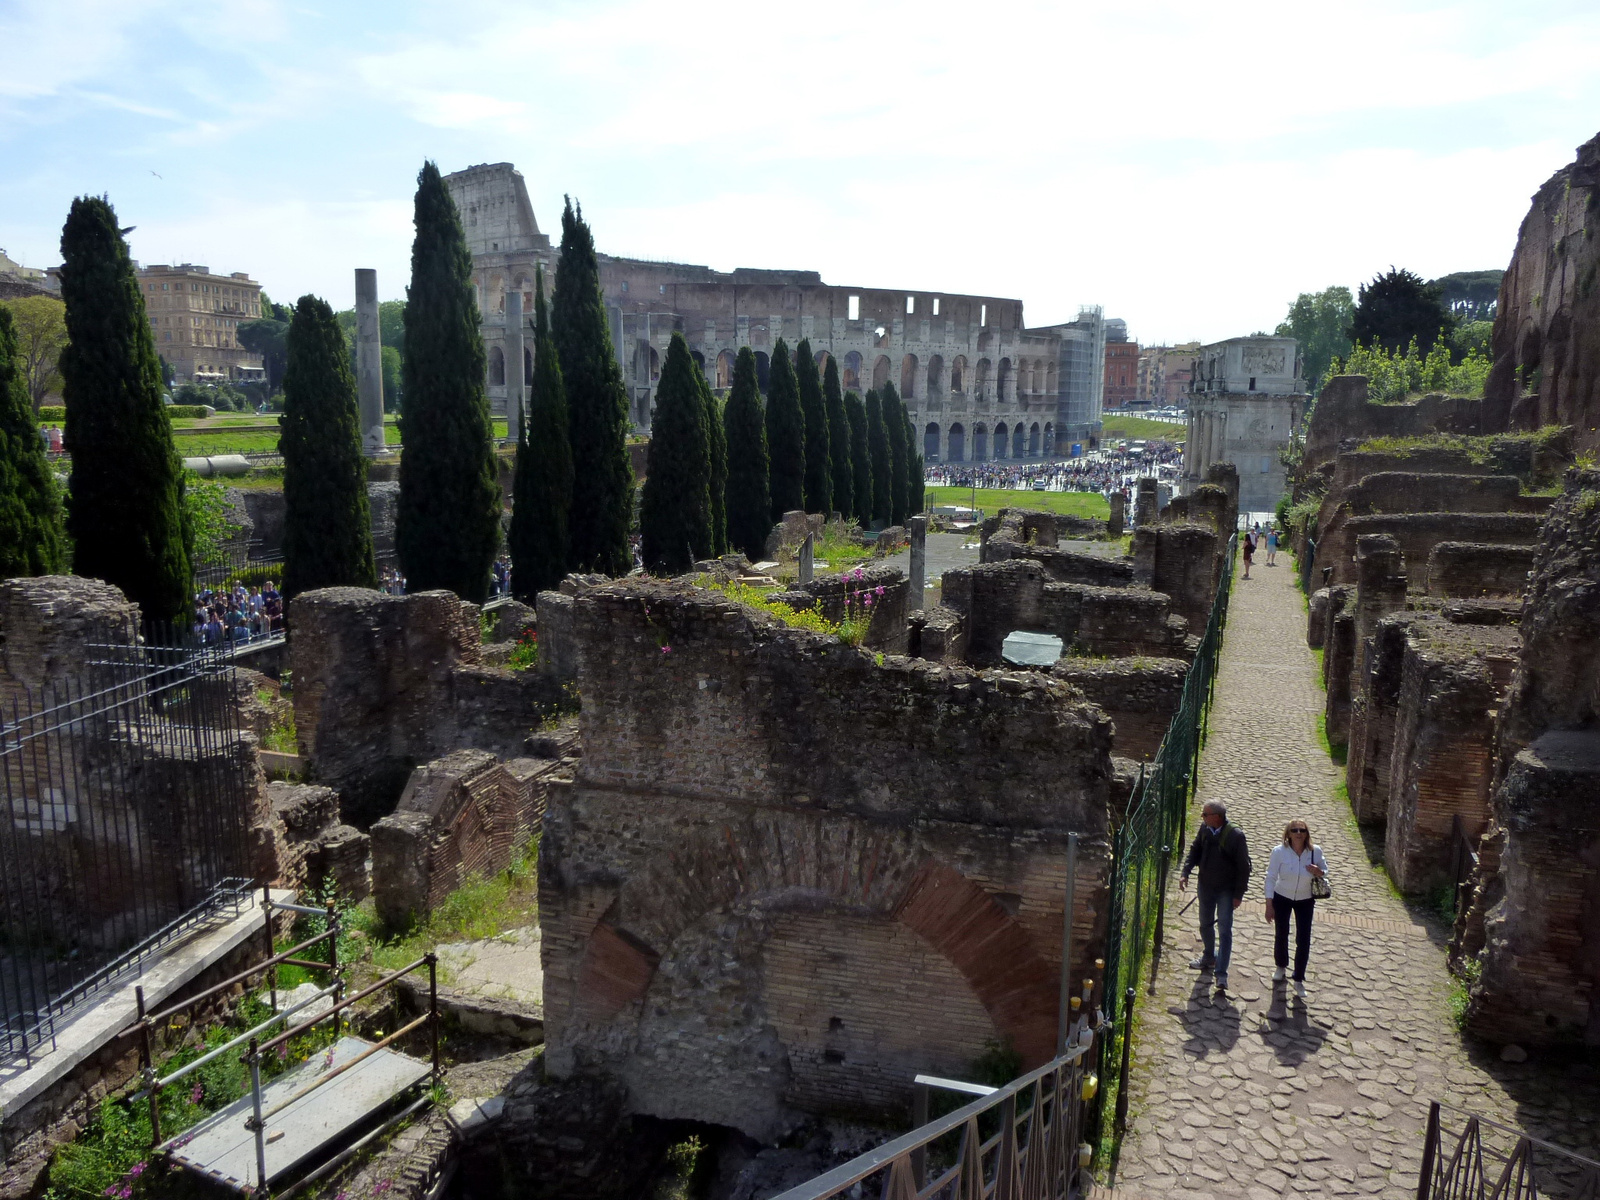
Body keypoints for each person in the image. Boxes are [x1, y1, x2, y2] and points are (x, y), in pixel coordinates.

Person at [1179, 800, 1251, 993]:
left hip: (1226, 891)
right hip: (1206, 886)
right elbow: (1195, 850)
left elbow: (1244, 868)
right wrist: (1185, 872)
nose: (1202, 817)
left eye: (1205, 814)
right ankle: (1209, 957)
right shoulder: (1205, 829)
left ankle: (1221, 973)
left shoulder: (1235, 836)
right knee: (1205, 924)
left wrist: (1238, 895)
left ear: (1217, 817)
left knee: (1225, 930)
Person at [1264, 818, 1328, 998]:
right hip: (1282, 896)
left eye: (1302, 830)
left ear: (1307, 833)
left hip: (1305, 899)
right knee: (1282, 933)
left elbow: (1325, 870)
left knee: (1304, 939)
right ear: (1288, 834)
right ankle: (1280, 966)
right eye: (1295, 830)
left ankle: (1299, 978)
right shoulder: (1279, 852)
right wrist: (1269, 904)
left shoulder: (1315, 852)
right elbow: (1270, 877)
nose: (1298, 833)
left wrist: (1318, 871)